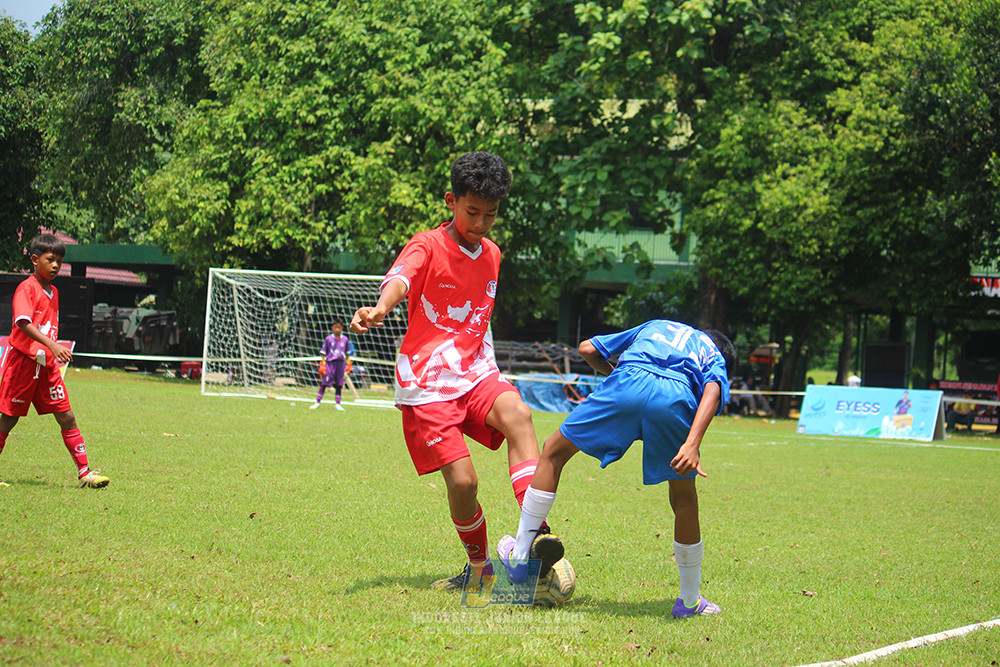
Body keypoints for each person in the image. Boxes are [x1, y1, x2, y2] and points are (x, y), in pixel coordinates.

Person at [350, 151, 549, 590]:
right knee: (463, 483)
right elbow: (401, 278)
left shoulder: (493, 253)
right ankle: (479, 568)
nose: (480, 223)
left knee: (519, 414)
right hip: (427, 382)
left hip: (476, 370)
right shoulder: (427, 244)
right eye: (472, 211)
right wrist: (381, 308)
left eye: (490, 214)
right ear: (451, 201)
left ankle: (535, 535)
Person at [497, 320, 735, 618]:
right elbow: (713, 389)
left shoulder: (659, 325)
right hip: (674, 397)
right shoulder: (713, 353)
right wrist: (692, 444)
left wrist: (621, 384)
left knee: (553, 452)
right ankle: (688, 602)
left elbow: (587, 349)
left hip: (628, 380)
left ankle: (520, 559)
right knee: (684, 497)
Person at [0, 234, 110, 489]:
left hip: (47, 366)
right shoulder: (27, 288)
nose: (56, 265)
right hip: (23, 363)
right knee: (8, 419)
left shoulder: (54, 291)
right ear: (34, 259)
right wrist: (52, 345)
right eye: (50, 260)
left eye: (60, 261)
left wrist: (51, 350)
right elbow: (23, 323)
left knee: (66, 416)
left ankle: (85, 473)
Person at [311, 319, 353, 411]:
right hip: (330, 363)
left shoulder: (345, 339)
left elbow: (347, 354)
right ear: (332, 328)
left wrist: (349, 364)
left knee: (339, 384)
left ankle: (338, 404)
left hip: (340, 364)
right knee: (324, 383)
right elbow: (323, 353)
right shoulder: (328, 339)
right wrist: (322, 364)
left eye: (339, 327)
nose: (337, 329)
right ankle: (317, 402)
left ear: (342, 328)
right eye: (335, 327)